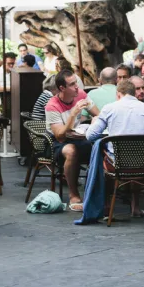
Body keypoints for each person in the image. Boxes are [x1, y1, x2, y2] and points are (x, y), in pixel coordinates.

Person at [85, 79, 144, 211]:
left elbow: (90, 135)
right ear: (134, 93)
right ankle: (136, 206)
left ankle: (106, 205)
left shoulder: (109, 108)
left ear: (118, 94)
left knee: (101, 154)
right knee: (137, 155)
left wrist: (95, 122)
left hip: (116, 164)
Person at [45, 69, 100, 212]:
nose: (77, 87)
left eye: (76, 82)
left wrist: (95, 121)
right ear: (62, 88)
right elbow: (60, 136)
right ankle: (73, 194)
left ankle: (97, 192)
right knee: (71, 151)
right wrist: (73, 114)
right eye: (72, 84)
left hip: (78, 137)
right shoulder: (52, 105)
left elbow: (99, 115)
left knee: (100, 146)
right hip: (56, 143)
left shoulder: (81, 94)